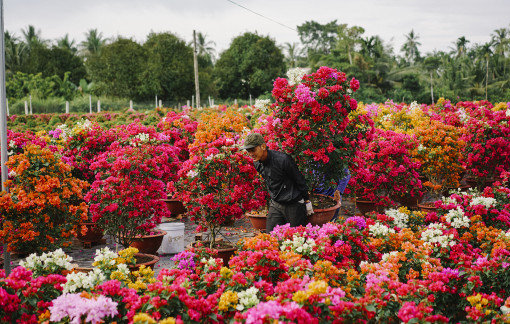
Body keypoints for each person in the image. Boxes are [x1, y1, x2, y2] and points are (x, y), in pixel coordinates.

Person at [242, 133, 313, 233]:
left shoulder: (283, 159)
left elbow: (299, 180)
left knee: (296, 239)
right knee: (271, 236)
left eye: (253, 150)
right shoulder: (256, 162)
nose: (250, 154)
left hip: (294, 204)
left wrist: (306, 201)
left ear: (263, 146)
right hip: (276, 203)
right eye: (248, 151)